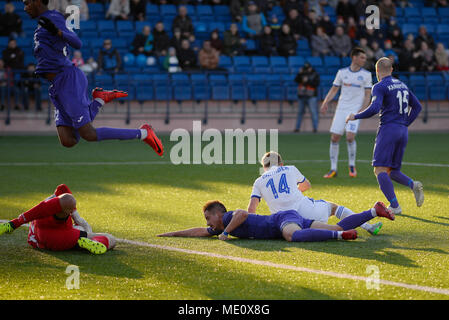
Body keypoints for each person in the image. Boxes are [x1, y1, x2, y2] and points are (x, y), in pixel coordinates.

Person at [23, 0, 163, 155]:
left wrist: (58, 31)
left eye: (26, 3)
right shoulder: (46, 20)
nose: (25, 8)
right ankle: (99, 100)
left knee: (89, 134)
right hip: (56, 85)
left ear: (37, 1)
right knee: (68, 140)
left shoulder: (52, 19)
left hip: (68, 81)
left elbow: (77, 43)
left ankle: (144, 133)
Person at [346, 57, 424, 214]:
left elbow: (375, 108)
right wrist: (405, 123)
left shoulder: (379, 86)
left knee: (379, 169)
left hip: (388, 129)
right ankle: (412, 184)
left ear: (376, 71)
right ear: (392, 70)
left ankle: (395, 206)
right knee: (392, 171)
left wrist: (356, 116)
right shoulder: (402, 85)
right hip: (403, 131)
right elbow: (417, 107)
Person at [247, 151, 384, 235]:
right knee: (333, 207)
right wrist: (293, 191)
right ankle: (368, 227)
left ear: (264, 167)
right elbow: (307, 185)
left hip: (285, 222)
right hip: (306, 209)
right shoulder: (289, 169)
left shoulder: (259, 181)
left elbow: (251, 209)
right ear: (281, 163)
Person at [157, 199, 394, 242]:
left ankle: (341, 236)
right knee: (334, 225)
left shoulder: (228, 218)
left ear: (219, 214)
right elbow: (198, 231)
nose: (208, 223)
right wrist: (170, 234)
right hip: (289, 218)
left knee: (291, 235)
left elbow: (242, 213)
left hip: (282, 219)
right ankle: (373, 211)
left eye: (209, 218)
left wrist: (226, 232)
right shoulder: (218, 226)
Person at [0, 184, 116, 254]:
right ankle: (96, 241)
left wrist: (12, 224)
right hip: (58, 239)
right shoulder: (65, 226)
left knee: (79, 225)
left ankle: (83, 240)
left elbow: (32, 213)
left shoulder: (46, 207)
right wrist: (79, 219)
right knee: (110, 239)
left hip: (40, 233)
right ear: (68, 211)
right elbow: (63, 192)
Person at [320, 47, 372, 178]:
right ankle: (333, 169)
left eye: (365, 58)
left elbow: (367, 95)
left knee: (350, 137)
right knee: (334, 137)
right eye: (362, 57)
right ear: (354, 57)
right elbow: (334, 90)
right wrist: (325, 102)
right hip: (341, 109)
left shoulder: (366, 75)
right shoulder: (342, 73)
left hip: (355, 110)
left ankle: (352, 166)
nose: (364, 60)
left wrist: (362, 110)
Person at [294, 63, 320, 133]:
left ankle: (315, 128)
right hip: (302, 96)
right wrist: (299, 73)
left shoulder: (314, 74)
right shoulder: (302, 73)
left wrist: (308, 81)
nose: (306, 70)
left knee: (313, 112)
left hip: (311, 96)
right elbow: (296, 80)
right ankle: (297, 128)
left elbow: (317, 84)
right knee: (300, 112)